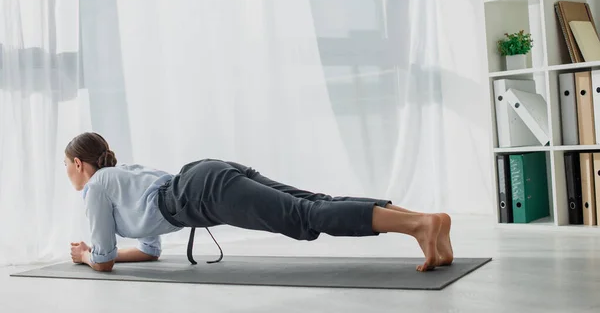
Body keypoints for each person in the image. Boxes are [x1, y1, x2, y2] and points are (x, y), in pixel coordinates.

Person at [65, 132, 453, 273]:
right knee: (313, 202)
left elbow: (103, 260)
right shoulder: (124, 175)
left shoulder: (96, 187)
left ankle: (418, 227)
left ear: (79, 164)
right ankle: (427, 221)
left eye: (67, 166)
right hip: (205, 174)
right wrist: (103, 255)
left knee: (304, 216)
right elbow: (150, 252)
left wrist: (85, 255)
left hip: (203, 191)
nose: (67, 172)